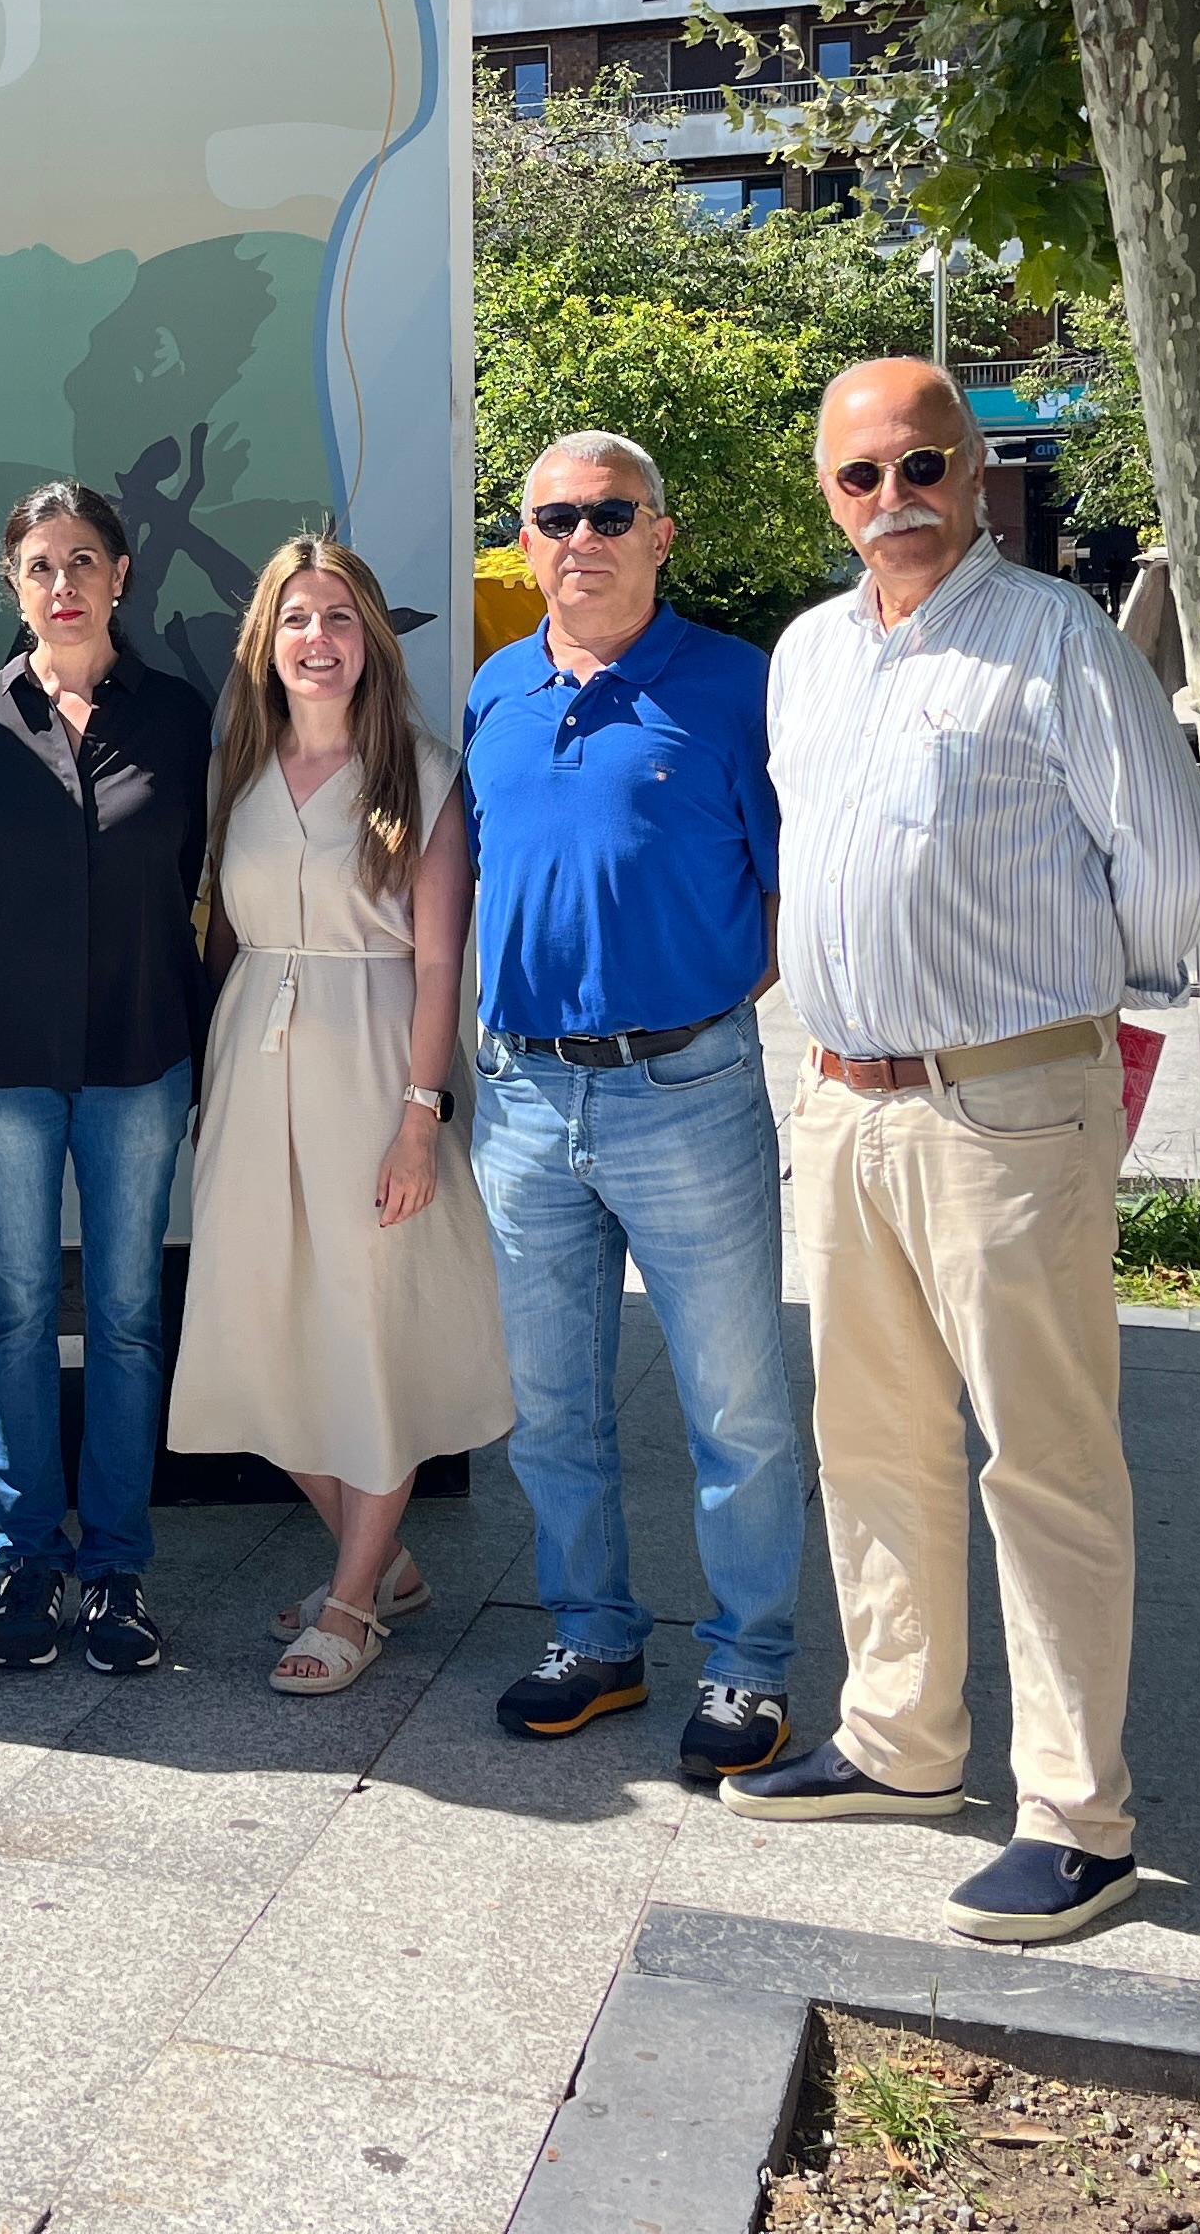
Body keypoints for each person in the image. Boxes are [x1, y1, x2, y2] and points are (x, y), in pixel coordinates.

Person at [726, 359, 1200, 1949]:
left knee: (1046, 1459)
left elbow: (1177, 874)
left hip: (1007, 1106)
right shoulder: (808, 656)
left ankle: (1080, 1819)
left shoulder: (1058, 641)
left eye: (924, 466)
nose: (897, 500)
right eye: (863, 476)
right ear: (828, 490)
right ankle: (900, 1742)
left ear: (976, 470)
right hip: (845, 1099)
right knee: (869, 1438)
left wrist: (1078, 1042)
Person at [465, 433, 806, 1779]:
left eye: (612, 513)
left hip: (687, 1089)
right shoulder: (497, 687)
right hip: (522, 1097)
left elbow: (787, 897)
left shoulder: (734, 686)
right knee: (552, 1405)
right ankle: (594, 1639)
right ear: (527, 540)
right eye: (556, 516)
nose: (582, 537)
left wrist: (699, 1008)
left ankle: (750, 1662)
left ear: (662, 534)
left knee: (737, 1402)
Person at [167, 538, 511, 1694]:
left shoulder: (423, 770)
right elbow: (218, 935)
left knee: (372, 1327)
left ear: (373, 642)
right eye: (298, 619)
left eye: (342, 621)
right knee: (256, 1326)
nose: (319, 642)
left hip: (377, 1065)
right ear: (268, 640)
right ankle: (390, 1561)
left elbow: (439, 963)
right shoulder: (239, 766)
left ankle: (355, 1599)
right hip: (253, 1064)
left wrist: (422, 1116)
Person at [0, 480, 212, 1678]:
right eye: (42, 565)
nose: (64, 585)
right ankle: (25, 1562)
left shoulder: (182, 716)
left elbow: (228, 884)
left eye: (84, 562)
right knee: (13, 1313)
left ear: (121, 577)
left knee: (130, 1318)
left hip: (139, 1057)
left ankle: (115, 1570)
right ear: (14, 581)